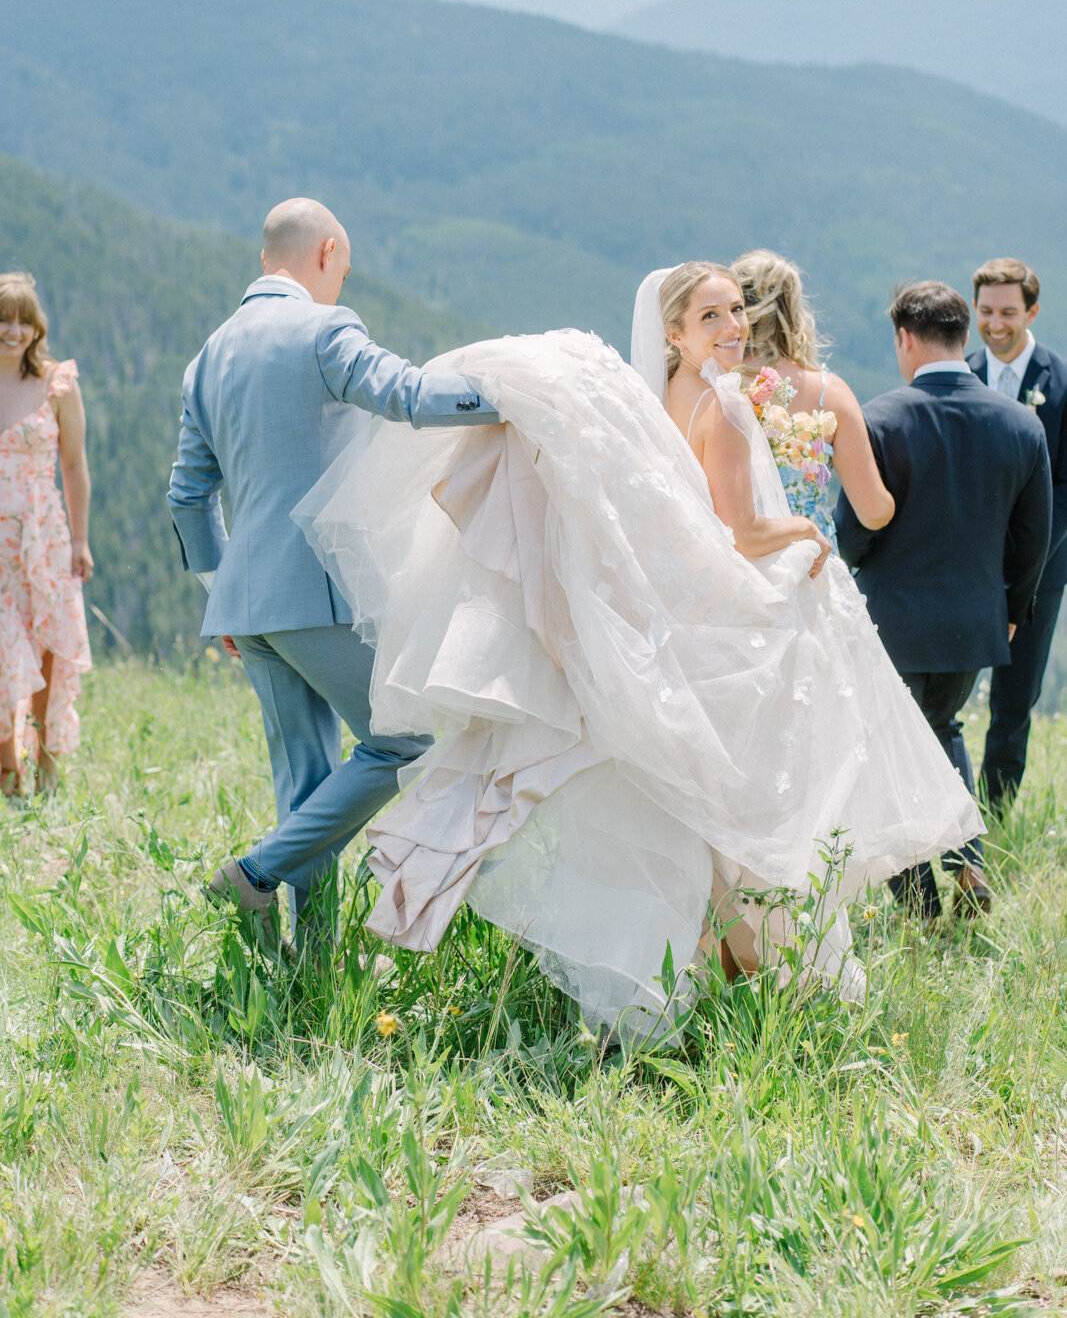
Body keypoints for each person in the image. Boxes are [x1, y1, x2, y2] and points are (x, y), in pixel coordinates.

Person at [295, 262, 984, 1036]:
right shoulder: (722, 406)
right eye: (711, 318)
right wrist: (803, 531)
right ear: (673, 333)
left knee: (693, 816)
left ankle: (699, 968)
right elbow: (738, 532)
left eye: (735, 313)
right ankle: (746, 970)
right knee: (745, 804)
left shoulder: (653, 405)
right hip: (714, 618)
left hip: (669, 620)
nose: (731, 329)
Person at [167, 198, 499, 946]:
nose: (341, 282)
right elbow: (409, 396)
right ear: (326, 251)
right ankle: (252, 873)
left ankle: (306, 966)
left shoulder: (208, 357)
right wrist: (514, 396)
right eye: (342, 268)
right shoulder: (325, 329)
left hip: (245, 607)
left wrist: (219, 589)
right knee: (404, 739)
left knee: (305, 783)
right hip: (313, 592)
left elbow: (187, 496)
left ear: (264, 260)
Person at [835, 281, 1051, 920]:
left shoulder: (879, 419)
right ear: (964, 338)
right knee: (942, 726)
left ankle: (921, 905)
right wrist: (1012, 608)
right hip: (974, 623)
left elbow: (853, 532)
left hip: (893, 621)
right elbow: (1032, 537)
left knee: (889, 750)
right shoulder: (1021, 423)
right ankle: (969, 864)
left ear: (905, 338)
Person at [966, 258, 1067, 815]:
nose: (995, 324)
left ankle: (995, 809)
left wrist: (1023, 567)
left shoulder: (1062, 383)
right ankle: (949, 807)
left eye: (1008, 312)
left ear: (1032, 310)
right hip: (965, 565)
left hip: (1041, 568)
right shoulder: (962, 373)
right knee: (945, 687)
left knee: (1014, 697)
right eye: (985, 311)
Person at [0, 272, 92, 795]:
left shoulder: (59, 384)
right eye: (3, 319)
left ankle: (47, 767)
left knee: (49, 648)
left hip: (45, 534)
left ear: (37, 327)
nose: (13, 331)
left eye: (23, 320)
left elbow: (75, 467)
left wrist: (80, 540)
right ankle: (7, 769)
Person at [732, 249, 894, 546]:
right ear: (793, 311)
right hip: (807, 563)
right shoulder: (828, 394)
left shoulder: (711, 386)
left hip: (733, 561)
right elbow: (873, 512)